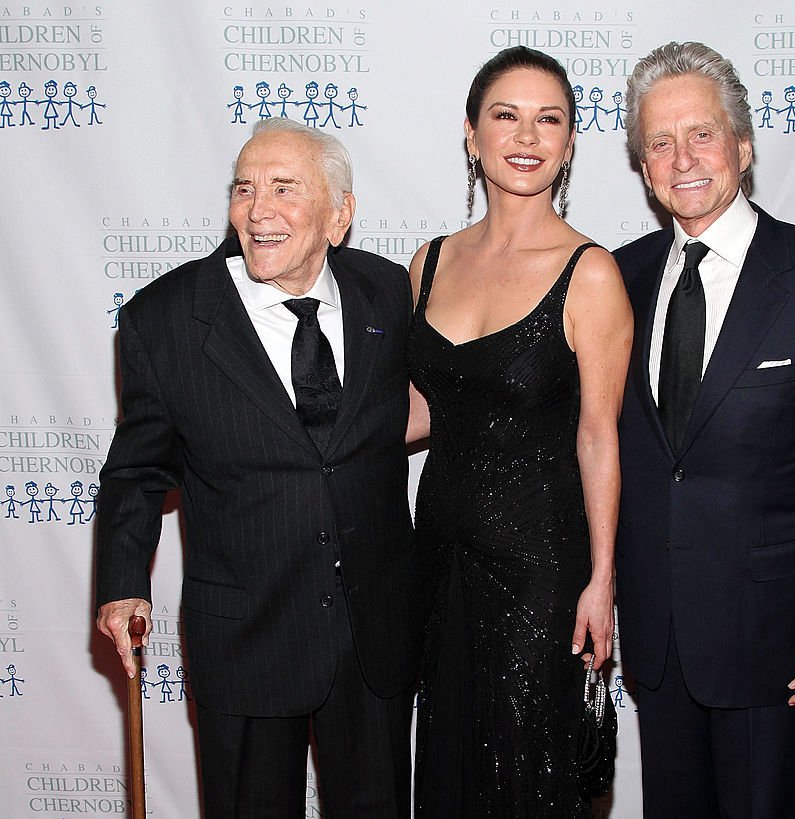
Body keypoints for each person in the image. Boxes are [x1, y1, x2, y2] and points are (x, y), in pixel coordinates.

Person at [95, 117, 428, 818]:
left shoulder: (386, 293)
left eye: (284, 188)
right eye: (244, 188)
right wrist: (123, 582)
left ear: (340, 215)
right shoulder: (166, 319)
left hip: (373, 638)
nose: (258, 209)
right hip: (248, 638)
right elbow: (135, 471)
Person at [613, 42, 795, 817]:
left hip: (775, 645)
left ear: (743, 144)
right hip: (659, 638)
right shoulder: (618, 279)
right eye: (659, 143)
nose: (682, 159)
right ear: (641, 166)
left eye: (701, 134)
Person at [405, 46, 632, 817]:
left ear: (570, 144)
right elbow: (426, 409)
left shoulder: (589, 272)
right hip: (439, 555)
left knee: (527, 772)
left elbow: (599, 435)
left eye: (550, 120)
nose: (526, 136)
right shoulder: (429, 262)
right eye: (505, 115)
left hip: (540, 570)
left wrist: (602, 581)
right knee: (448, 760)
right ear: (471, 134)